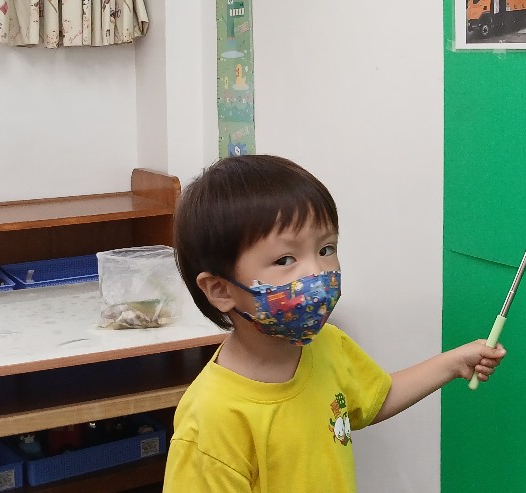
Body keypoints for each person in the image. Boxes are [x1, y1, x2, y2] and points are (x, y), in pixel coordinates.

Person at [165, 155, 506, 492]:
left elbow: (376, 397)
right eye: (285, 259)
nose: (318, 271)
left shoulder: (327, 343)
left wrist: (454, 364)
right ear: (221, 290)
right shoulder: (210, 420)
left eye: (326, 249)